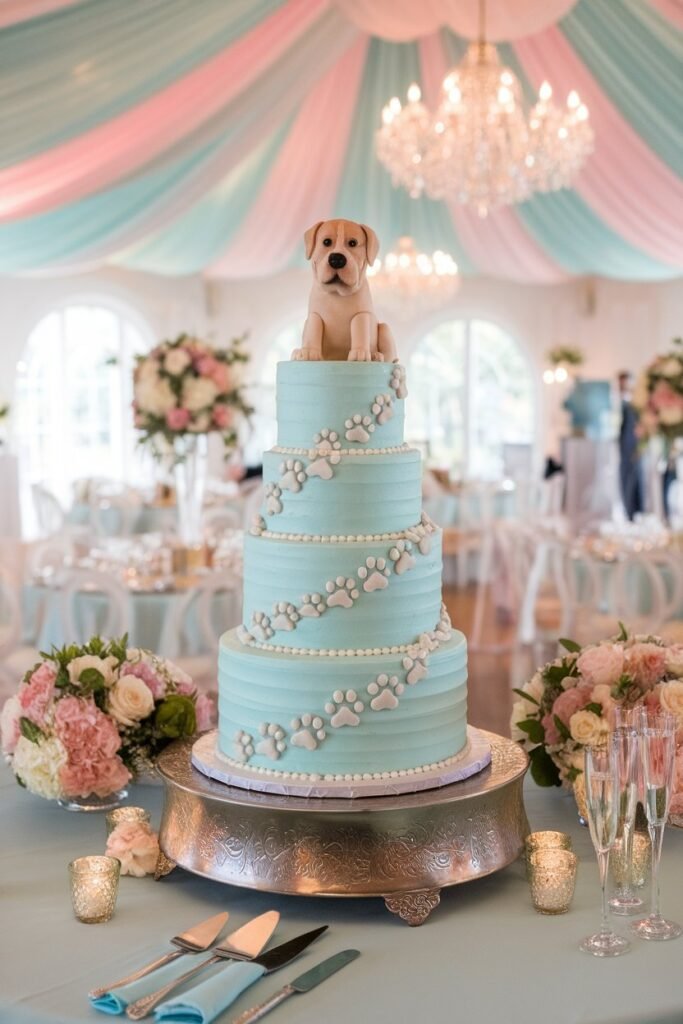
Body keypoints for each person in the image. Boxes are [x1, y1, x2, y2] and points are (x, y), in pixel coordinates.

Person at [617, 370, 643, 520]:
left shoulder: (634, 403)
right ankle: (629, 513)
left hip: (633, 447)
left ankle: (635, 513)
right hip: (623, 449)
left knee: (634, 480)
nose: (623, 385)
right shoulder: (618, 401)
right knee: (625, 480)